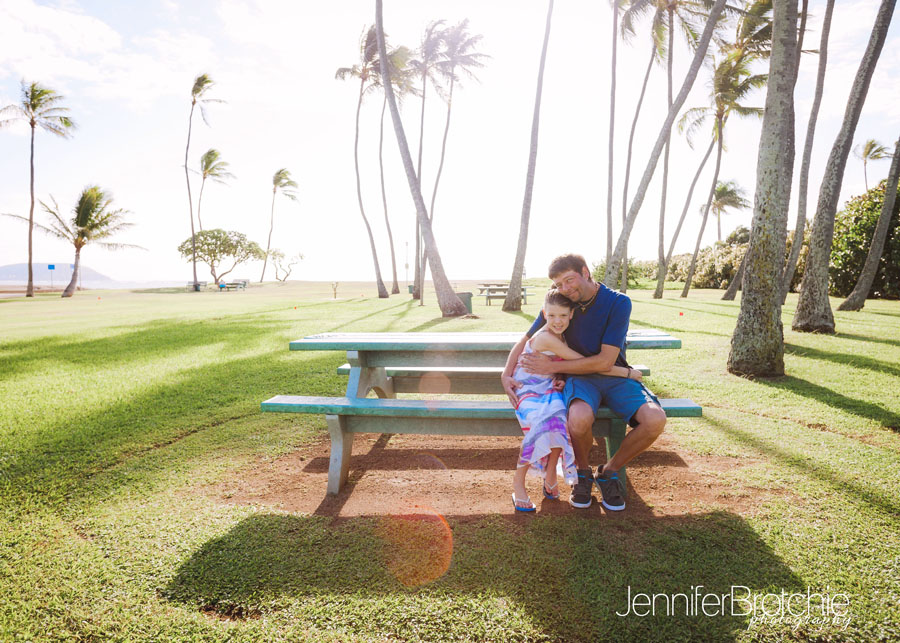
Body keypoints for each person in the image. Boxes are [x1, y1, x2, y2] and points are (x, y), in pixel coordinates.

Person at [501, 254, 666, 511]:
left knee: (655, 420)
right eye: (559, 283)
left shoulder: (618, 303)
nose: (565, 288)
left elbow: (604, 361)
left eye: (569, 280)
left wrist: (554, 367)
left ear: (585, 272)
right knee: (577, 419)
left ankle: (609, 472)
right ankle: (582, 474)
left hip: (614, 376)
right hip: (579, 379)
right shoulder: (560, 304)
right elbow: (524, 340)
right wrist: (505, 374)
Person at [510, 288, 640, 512]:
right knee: (542, 422)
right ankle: (518, 483)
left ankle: (550, 474)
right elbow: (589, 364)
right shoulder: (548, 337)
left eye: (562, 315)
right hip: (528, 388)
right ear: (544, 314)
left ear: (571, 314)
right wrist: (626, 373)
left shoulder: (563, 334)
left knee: (561, 416)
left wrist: (560, 376)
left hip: (549, 386)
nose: (557, 321)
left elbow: (565, 364)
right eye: (551, 316)